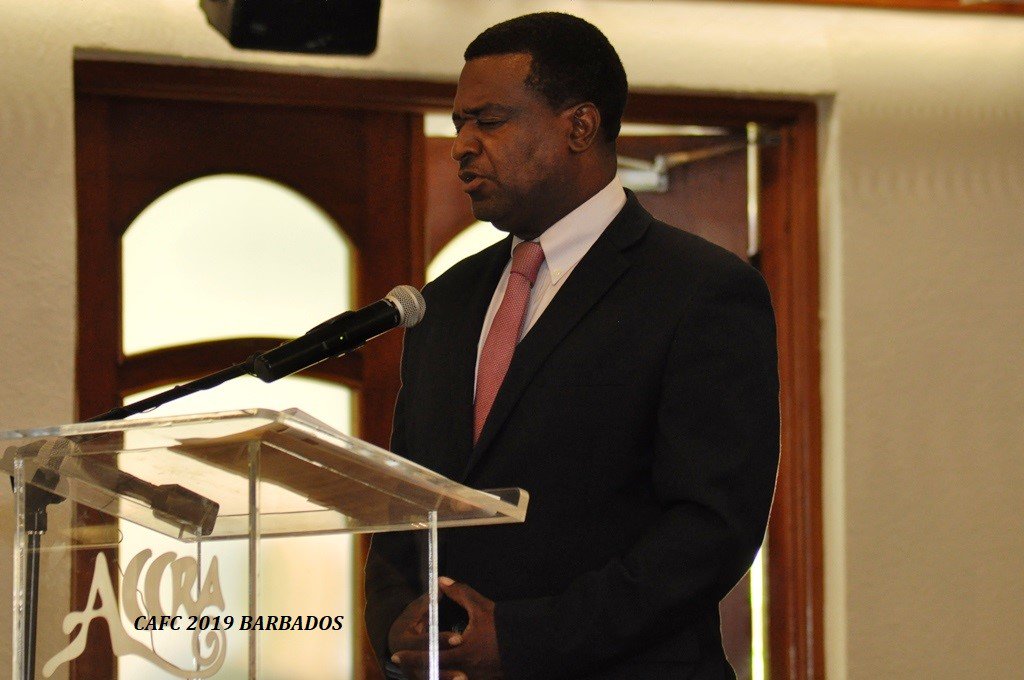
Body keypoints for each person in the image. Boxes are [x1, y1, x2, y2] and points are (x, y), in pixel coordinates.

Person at [365, 12, 779, 680]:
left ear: (580, 126)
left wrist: (523, 639)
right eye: (458, 123)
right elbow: (405, 503)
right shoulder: (444, 301)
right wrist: (396, 627)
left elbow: (710, 528)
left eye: (488, 121)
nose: (462, 146)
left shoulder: (700, 290)